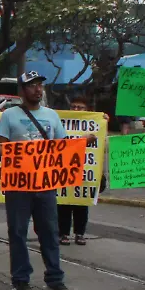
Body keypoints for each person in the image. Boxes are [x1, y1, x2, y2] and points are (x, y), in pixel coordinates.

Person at [0, 71, 97, 290]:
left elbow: (63, 148)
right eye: (32, 86)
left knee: (50, 232)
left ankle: (55, 279)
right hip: (18, 186)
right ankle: (21, 279)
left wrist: (86, 141)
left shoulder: (51, 116)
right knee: (18, 232)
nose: (37, 90)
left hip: (45, 186)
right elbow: (3, 149)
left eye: (40, 85)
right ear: (22, 91)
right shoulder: (9, 116)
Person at [57, 96, 94, 245]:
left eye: (80, 107)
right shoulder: (62, 123)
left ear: (87, 110)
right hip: (65, 169)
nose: (76, 110)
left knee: (81, 204)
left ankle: (80, 233)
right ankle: (63, 233)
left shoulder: (94, 124)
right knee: (64, 203)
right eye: (73, 107)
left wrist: (104, 120)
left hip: (85, 170)